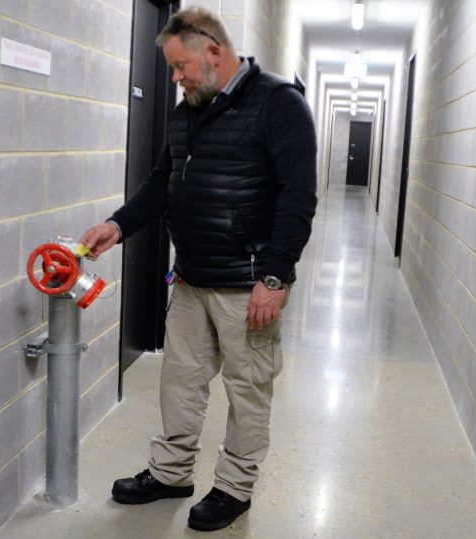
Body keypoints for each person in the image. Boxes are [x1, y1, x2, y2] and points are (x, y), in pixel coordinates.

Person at [80, 6, 317, 532]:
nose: (175, 77)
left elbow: (299, 199)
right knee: (181, 382)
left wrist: (273, 278)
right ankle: (171, 472)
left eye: (181, 65)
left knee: (247, 388)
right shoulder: (189, 109)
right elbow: (161, 181)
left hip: (248, 282)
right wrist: (117, 226)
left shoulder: (279, 104)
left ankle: (234, 487)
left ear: (214, 52)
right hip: (190, 276)